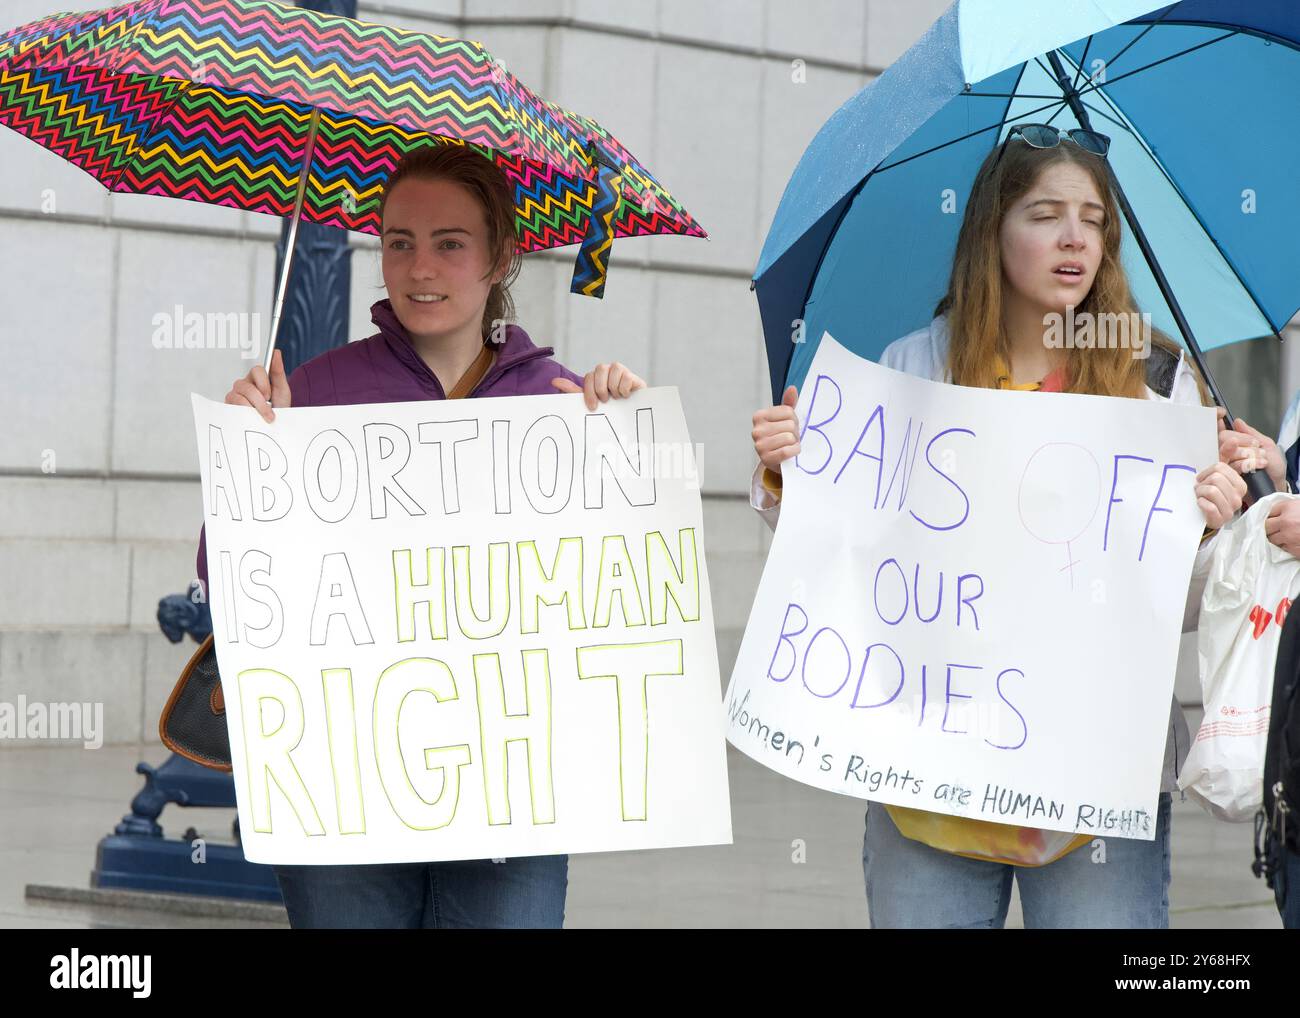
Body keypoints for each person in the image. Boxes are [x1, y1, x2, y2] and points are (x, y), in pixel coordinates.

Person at [748, 127, 1246, 928]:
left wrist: (1211, 532)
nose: (1075, 238)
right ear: (992, 230)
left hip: (1093, 790)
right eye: (1045, 215)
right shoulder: (911, 370)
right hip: (927, 783)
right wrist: (787, 476)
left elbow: (1178, 611)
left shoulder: (1156, 386)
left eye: (1093, 220)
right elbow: (851, 558)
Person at [194, 144, 646, 929]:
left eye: (450, 243)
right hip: (342, 777)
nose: (420, 268)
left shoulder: (562, 401)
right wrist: (249, 462)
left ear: (500, 259)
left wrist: (626, 436)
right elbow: (225, 572)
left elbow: (621, 588)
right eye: (399, 242)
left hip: (513, 784)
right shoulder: (315, 391)